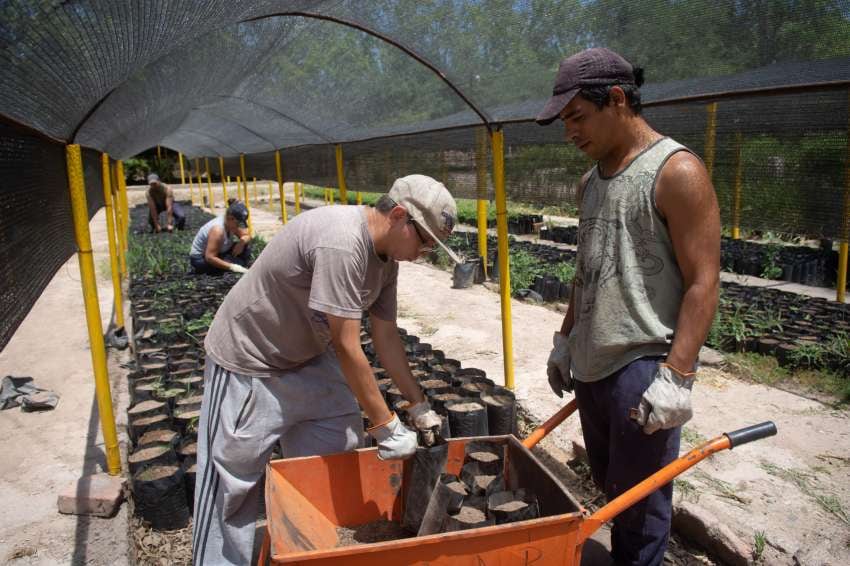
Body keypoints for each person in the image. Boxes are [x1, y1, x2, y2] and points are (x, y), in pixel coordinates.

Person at [192, 174, 461, 565]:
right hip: (250, 359)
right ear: (400, 216)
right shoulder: (342, 241)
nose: (425, 253)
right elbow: (347, 344)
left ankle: (314, 546)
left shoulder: (386, 259)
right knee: (232, 485)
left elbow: (385, 337)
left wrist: (418, 405)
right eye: (424, 241)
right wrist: (384, 424)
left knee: (338, 447)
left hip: (307, 356)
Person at [537, 48, 720, 566]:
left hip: (640, 368)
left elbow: (704, 280)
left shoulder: (676, 171)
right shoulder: (590, 182)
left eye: (578, 116)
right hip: (592, 367)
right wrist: (564, 339)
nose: (571, 132)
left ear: (616, 99)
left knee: (640, 511)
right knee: (612, 489)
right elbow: (586, 269)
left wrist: (677, 377)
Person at [189, 201, 252, 275]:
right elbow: (210, 257)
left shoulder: (231, 223)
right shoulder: (218, 230)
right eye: (238, 223)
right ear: (230, 218)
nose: (239, 226)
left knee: (245, 248)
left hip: (220, 252)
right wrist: (233, 267)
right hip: (201, 259)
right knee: (237, 264)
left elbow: (247, 236)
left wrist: (242, 242)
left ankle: (230, 264)